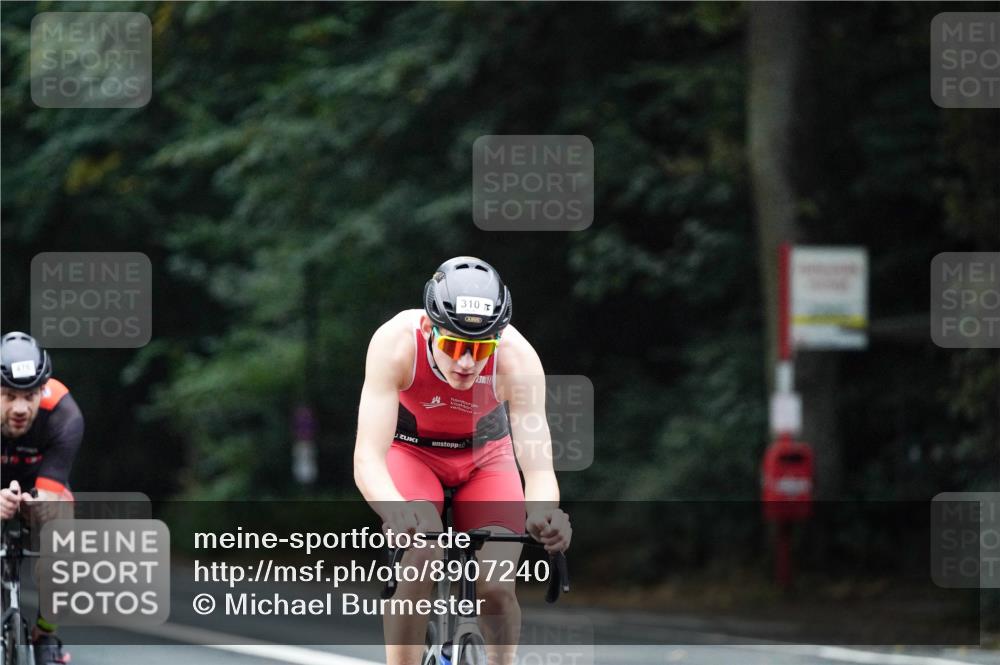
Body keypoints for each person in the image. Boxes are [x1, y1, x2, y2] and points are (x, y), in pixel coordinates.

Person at [354, 257, 572, 665]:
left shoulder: (518, 360)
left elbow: (539, 465)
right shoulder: (396, 343)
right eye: (453, 346)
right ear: (427, 329)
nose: (466, 363)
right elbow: (368, 456)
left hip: (486, 461)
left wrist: (547, 514)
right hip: (411, 453)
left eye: (480, 349)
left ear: (498, 337)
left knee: (496, 589)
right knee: (421, 555)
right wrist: (394, 511)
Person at [1, 332, 83, 665]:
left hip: (38, 488)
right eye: (8, 396)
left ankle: (45, 633)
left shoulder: (65, 414)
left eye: (30, 395)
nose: (21, 408)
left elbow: (50, 494)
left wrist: (31, 505)